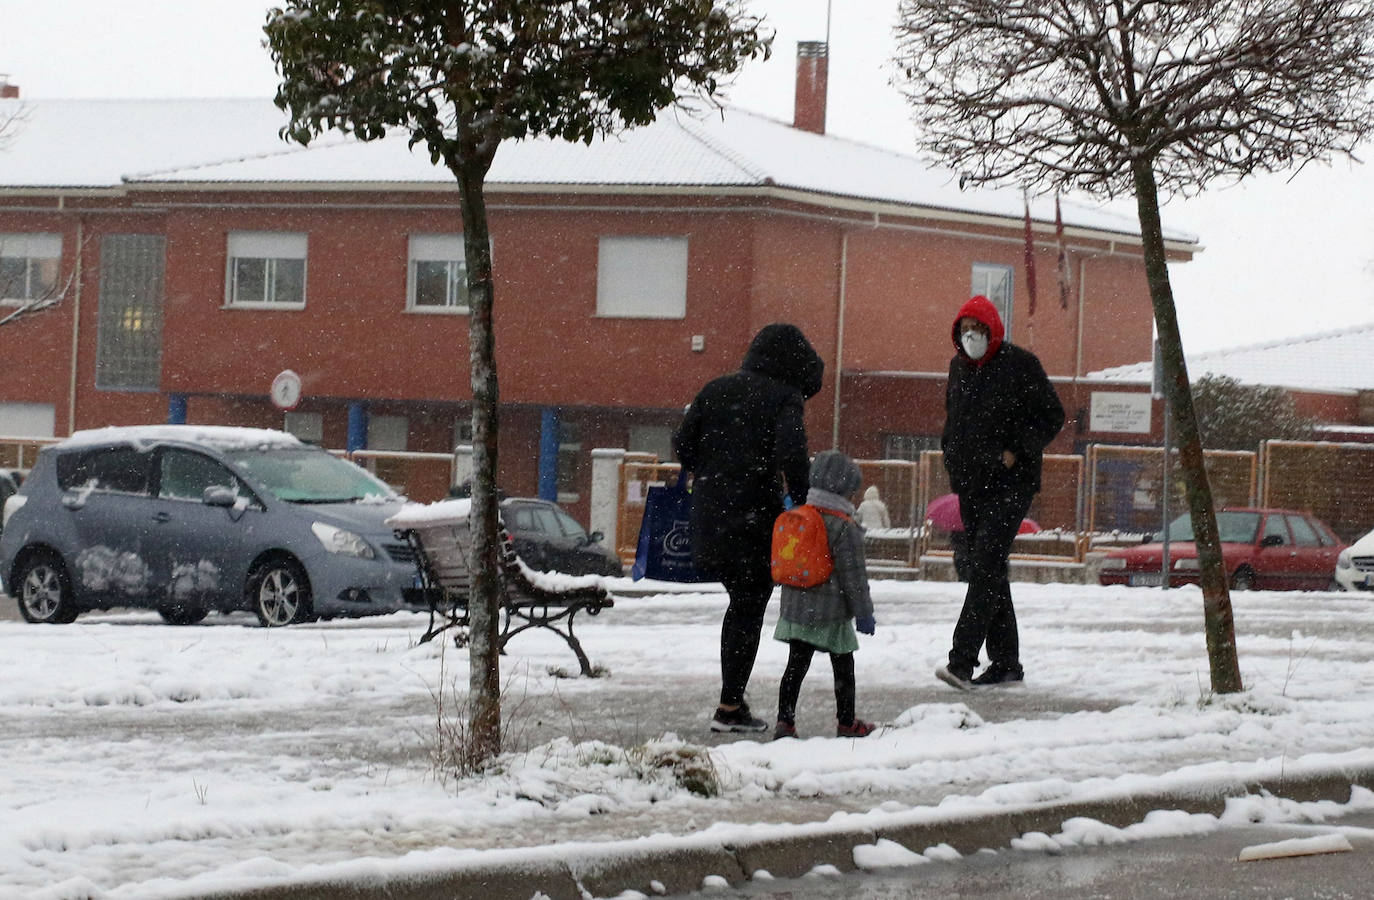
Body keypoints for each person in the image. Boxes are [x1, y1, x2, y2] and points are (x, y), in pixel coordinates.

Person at [674, 323, 823, 733]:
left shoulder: (716, 388)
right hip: (754, 517)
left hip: (710, 512)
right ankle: (729, 706)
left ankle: (731, 702)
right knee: (748, 605)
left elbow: (683, 444)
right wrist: (801, 498)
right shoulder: (784, 397)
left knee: (740, 603)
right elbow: (793, 453)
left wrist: (717, 467)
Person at [935, 295, 1064, 691]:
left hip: (1011, 483)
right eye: (965, 330)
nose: (971, 337)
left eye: (978, 329)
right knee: (987, 569)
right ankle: (1006, 662)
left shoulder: (1020, 365)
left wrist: (1016, 451)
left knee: (986, 563)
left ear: (993, 331)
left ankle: (961, 662)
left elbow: (1052, 415)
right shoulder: (959, 369)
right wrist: (952, 460)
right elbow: (954, 421)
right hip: (972, 484)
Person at [772, 451, 877, 740]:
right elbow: (854, 576)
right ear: (844, 489)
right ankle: (846, 722)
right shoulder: (845, 526)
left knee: (795, 666)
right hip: (831, 614)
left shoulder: (800, 515)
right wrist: (864, 612)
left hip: (796, 609)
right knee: (844, 666)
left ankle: (785, 722)